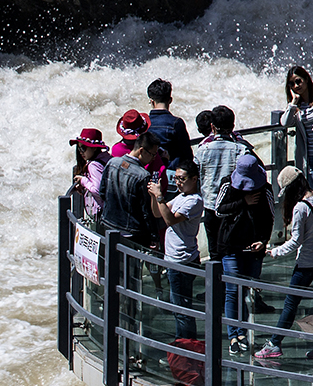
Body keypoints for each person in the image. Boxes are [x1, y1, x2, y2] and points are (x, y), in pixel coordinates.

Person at [255, 166, 313, 362]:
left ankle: (274, 344)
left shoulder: (300, 208)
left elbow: (296, 241)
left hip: (306, 264)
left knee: (290, 305)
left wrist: (274, 251)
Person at [217, 153, 273, 340]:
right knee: (232, 291)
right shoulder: (227, 185)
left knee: (248, 291)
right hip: (231, 247)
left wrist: (263, 241)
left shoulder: (265, 190)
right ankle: (234, 334)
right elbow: (218, 210)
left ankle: (245, 332)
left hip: (253, 249)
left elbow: (270, 218)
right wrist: (243, 203)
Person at [150, 157, 204, 339]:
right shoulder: (181, 197)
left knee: (182, 308)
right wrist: (154, 196)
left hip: (183, 261)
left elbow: (170, 220)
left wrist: (159, 196)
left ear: (194, 179)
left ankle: (186, 344)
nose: (178, 183)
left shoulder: (194, 201)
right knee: (178, 305)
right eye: (176, 178)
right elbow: (158, 213)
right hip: (174, 259)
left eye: (182, 179)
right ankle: (184, 343)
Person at [98, 110, 164, 253]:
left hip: (108, 224)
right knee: (130, 266)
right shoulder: (142, 176)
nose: (154, 158)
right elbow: (146, 212)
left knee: (109, 263)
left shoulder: (112, 163)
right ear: (141, 151)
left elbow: (102, 192)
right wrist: (154, 236)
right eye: (152, 154)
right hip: (132, 233)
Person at [197, 105, 255, 261]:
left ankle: (215, 277)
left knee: (214, 253)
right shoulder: (241, 150)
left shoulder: (202, 150)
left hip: (210, 207)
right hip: (234, 208)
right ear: (233, 127)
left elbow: (196, 176)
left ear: (212, 127)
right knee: (232, 252)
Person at [145, 78, 194, 164]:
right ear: (170, 100)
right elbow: (187, 154)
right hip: (170, 170)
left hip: (149, 169)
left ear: (152, 102)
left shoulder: (144, 123)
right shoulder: (176, 123)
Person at [69, 128, 106, 224]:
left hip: (101, 215)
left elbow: (98, 191)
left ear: (94, 148)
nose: (81, 152)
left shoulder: (93, 165)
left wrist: (84, 181)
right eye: (79, 148)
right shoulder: (107, 159)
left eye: (83, 148)